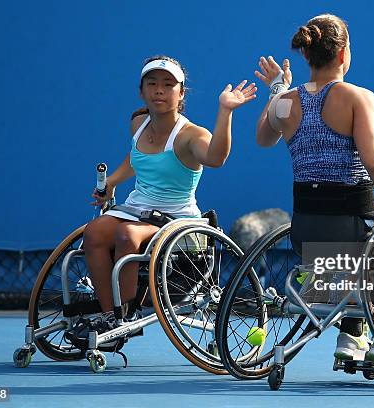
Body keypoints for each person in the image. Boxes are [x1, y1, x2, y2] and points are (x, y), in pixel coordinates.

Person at [254, 14, 374, 361]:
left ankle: (351, 337)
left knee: (360, 244)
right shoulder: (357, 97)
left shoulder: (286, 101)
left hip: (306, 232)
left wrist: (277, 89)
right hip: (351, 229)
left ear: (306, 55)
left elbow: (263, 138)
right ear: (343, 53)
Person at [71, 55, 256, 339]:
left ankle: (126, 314)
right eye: (152, 83)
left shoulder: (190, 136)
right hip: (137, 208)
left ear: (181, 93)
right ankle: (110, 317)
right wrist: (112, 182)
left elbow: (216, 158)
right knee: (94, 232)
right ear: (141, 91)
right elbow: (137, 159)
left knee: (126, 235)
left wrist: (225, 111)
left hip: (176, 220)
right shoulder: (139, 123)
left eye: (168, 85)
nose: (159, 90)